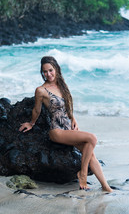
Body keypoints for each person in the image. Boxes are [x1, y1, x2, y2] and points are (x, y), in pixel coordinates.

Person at [19, 56, 113, 192]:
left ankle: (106, 187)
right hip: (57, 131)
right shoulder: (41, 90)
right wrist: (31, 123)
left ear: (56, 69)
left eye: (50, 70)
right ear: (42, 73)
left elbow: (67, 106)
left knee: (90, 151)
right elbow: (36, 110)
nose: (48, 74)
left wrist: (73, 119)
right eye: (45, 71)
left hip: (68, 128)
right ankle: (83, 174)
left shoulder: (62, 85)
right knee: (92, 138)